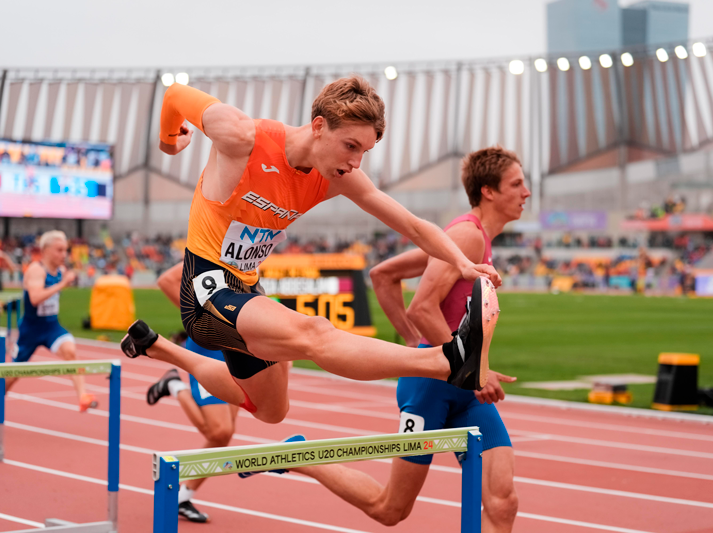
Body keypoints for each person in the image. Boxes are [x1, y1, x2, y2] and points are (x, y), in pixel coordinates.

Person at [121, 76, 501, 424]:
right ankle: (446, 360)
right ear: (319, 126)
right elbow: (174, 95)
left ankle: (161, 351)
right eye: (350, 146)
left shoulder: (338, 176)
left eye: (364, 151)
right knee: (314, 331)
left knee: (271, 410)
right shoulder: (241, 136)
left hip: (247, 288)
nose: (355, 162)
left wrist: (462, 263)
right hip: (206, 290)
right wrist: (169, 143)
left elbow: (412, 225)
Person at [288, 147, 525, 532]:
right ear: (489, 191)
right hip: (432, 388)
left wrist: (419, 342)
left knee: (503, 503)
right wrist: (462, 364)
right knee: (391, 509)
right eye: (516, 184)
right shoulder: (466, 235)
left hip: (464, 388)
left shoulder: (472, 237)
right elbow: (422, 306)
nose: (526, 192)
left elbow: (383, 275)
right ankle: (303, 457)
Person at [145, 262, 239, 523]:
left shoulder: (253, 253)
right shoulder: (211, 252)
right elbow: (166, 280)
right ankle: (174, 386)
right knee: (219, 432)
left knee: (226, 432)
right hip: (208, 349)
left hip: (235, 348)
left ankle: (183, 496)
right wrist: (201, 318)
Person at [4, 231, 97, 412]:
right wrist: (62, 284)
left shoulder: (61, 271)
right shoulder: (36, 270)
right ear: (45, 250)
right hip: (31, 330)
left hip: (52, 327)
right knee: (13, 374)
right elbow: (35, 298)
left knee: (70, 352)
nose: (64, 254)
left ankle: (82, 396)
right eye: (59, 250)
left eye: (65, 250)